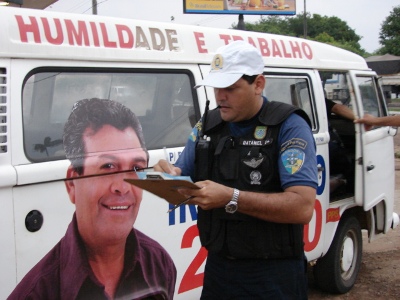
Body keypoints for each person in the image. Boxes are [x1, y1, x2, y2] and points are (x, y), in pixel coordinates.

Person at [154, 41, 318, 299]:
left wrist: (232, 197)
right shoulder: (208, 124)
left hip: (274, 274)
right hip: (220, 269)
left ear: (258, 84)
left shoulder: (289, 126)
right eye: (217, 87)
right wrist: (168, 177)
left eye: (230, 88)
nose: (220, 96)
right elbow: (181, 179)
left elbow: (302, 207)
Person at [8, 99, 176, 300]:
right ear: (72, 183)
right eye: (107, 167)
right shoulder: (36, 293)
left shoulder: (159, 265)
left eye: (136, 169)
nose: (122, 187)